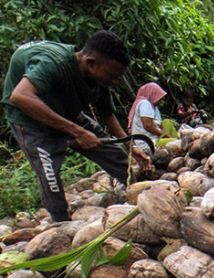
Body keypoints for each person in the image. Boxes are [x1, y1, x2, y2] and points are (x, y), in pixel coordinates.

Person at [2, 30, 148, 222]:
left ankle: (141, 189)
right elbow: (20, 96)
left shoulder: (99, 79)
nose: (115, 81)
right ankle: (61, 221)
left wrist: (131, 145)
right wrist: (76, 131)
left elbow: (106, 113)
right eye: (112, 76)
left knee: (111, 151)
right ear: (91, 63)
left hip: (66, 110)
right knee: (49, 172)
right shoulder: (53, 64)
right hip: (30, 120)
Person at [128, 82, 168, 153]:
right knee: (175, 142)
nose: (161, 100)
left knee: (167, 122)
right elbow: (148, 126)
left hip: (155, 139)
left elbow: (161, 125)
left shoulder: (154, 107)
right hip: (147, 143)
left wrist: (166, 134)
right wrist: (165, 136)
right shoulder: (144, 104)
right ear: (153, 94)